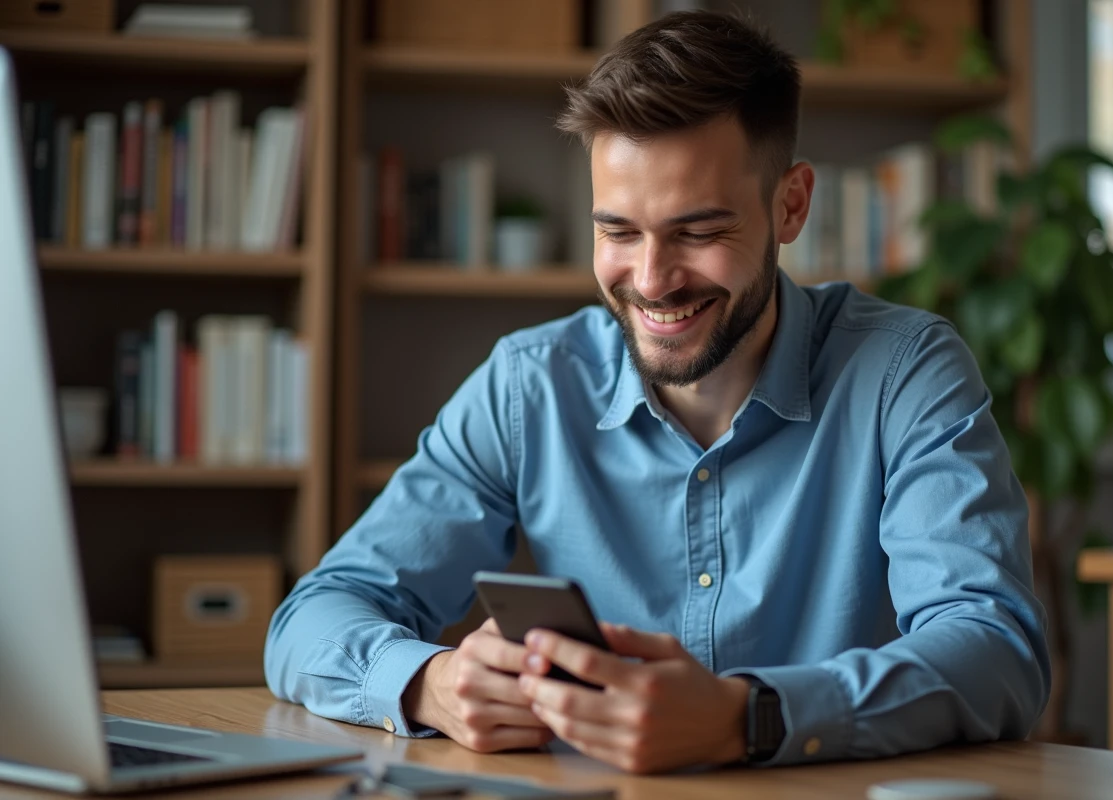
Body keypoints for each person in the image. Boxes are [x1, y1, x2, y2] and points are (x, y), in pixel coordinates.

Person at [265, 10, 1050, 774]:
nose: (650, 281)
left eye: (698, 232)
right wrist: (428, 684)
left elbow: (994, 648)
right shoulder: (529, 385)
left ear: (791, 205)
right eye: (619, 231)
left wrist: (749, 716)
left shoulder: (906, 371)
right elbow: (313, 618)